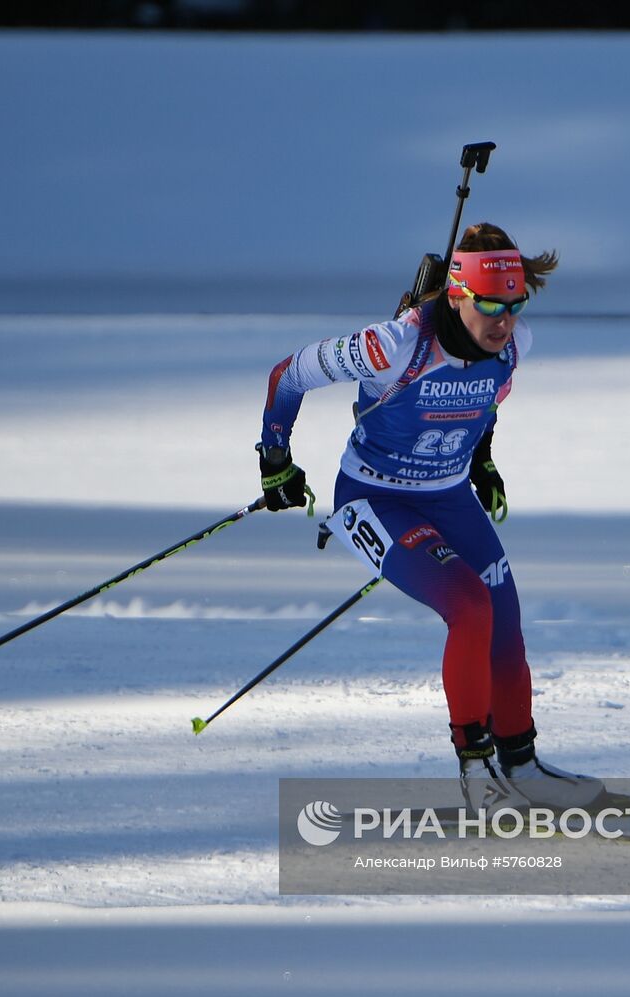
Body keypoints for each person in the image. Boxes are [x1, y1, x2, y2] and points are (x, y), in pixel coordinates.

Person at [255, 222, 602, 809]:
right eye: (491, 305)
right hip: (375, 498)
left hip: (449, 494)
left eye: (515, 306)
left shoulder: (515, 346)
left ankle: (523, 765)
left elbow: (483, 405)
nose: (505, 321)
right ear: (460, 295)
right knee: (468, 607)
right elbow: (288, 376)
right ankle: (477, 774)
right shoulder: (393, 345)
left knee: (505, 621)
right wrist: (276, 460)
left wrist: (483, 462)